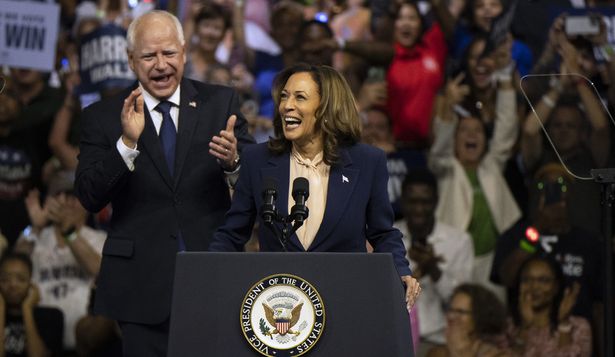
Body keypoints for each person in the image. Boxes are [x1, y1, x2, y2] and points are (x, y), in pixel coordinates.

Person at [74, 10, 253, 356]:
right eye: (149, 56)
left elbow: (255, 190)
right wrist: (125, 145)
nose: (160, 65)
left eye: (169, 53)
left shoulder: (221, 104)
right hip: (141, 286)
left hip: (213, 275)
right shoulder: (103, 117)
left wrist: (234, 163)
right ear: (131, 60)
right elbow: (89, 196)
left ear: (184, 53)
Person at [209, 63, 421, 309]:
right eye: (285, 97)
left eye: (300, 97)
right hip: (281, 305)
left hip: (343, 301)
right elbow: (233, 232)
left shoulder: (367, 162)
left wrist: (401, 271)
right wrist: (208, 270)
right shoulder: (258, 159)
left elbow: (382, 233)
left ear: (326, 108)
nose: (287, 106)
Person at [15, 170, 105, 353]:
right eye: (58, 195)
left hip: (85, 344)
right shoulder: (34, 236)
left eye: (72, 195)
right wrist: (36, 227)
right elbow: (13, 271)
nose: (64, 201)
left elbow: (101, 272)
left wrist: (69, 231)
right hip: (38, 341)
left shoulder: (100, 238)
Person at [395, 168, 473, 354]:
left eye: (425, 202)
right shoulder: (387, 238)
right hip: (397, 338)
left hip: (441, 343)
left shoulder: (459, 241)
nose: (419, 209)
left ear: (436, 201)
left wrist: (434, 269)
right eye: (413, 202)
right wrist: (416, 269)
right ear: (402, 201)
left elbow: (463, 303)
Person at [507, 254, 592, 357]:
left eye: (543, 280)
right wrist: (524, 328)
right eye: (526, 280)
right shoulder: (507, 327)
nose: (534, 287)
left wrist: (564, 324)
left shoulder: (578, 327)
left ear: (556, 287)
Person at [0, 252, 64, 357]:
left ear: (31, 282)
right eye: (5, 279)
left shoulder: (51, 316)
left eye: (21, 279)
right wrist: (0, 308)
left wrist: (27, 309)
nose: (12, 285)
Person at [428, 283, 511, 357]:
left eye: (460, 312)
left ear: (480, 316)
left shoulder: (499, 355)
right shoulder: (438, 353)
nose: (451, 316)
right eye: (451, 310)